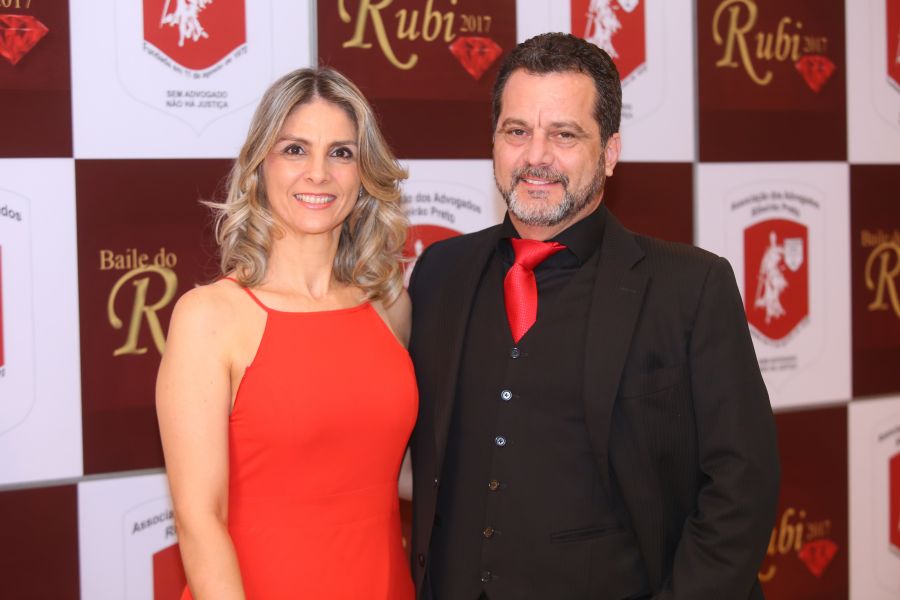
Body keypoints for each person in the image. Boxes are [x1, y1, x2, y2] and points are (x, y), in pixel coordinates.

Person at [407, 33, 780, 600]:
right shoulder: (439, 273)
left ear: (609, 152)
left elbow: (742, 484)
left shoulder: (690, 287)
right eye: (516, 131)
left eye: (564, 134)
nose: (536, 156)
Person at [156, 67, 416, 600]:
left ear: (365, 173)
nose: (318, 173)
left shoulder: (390, 307)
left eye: (341, 153)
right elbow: (199, 518)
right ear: (260, 166)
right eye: (295, 150)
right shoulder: (209, 317)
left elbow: (394, 468)